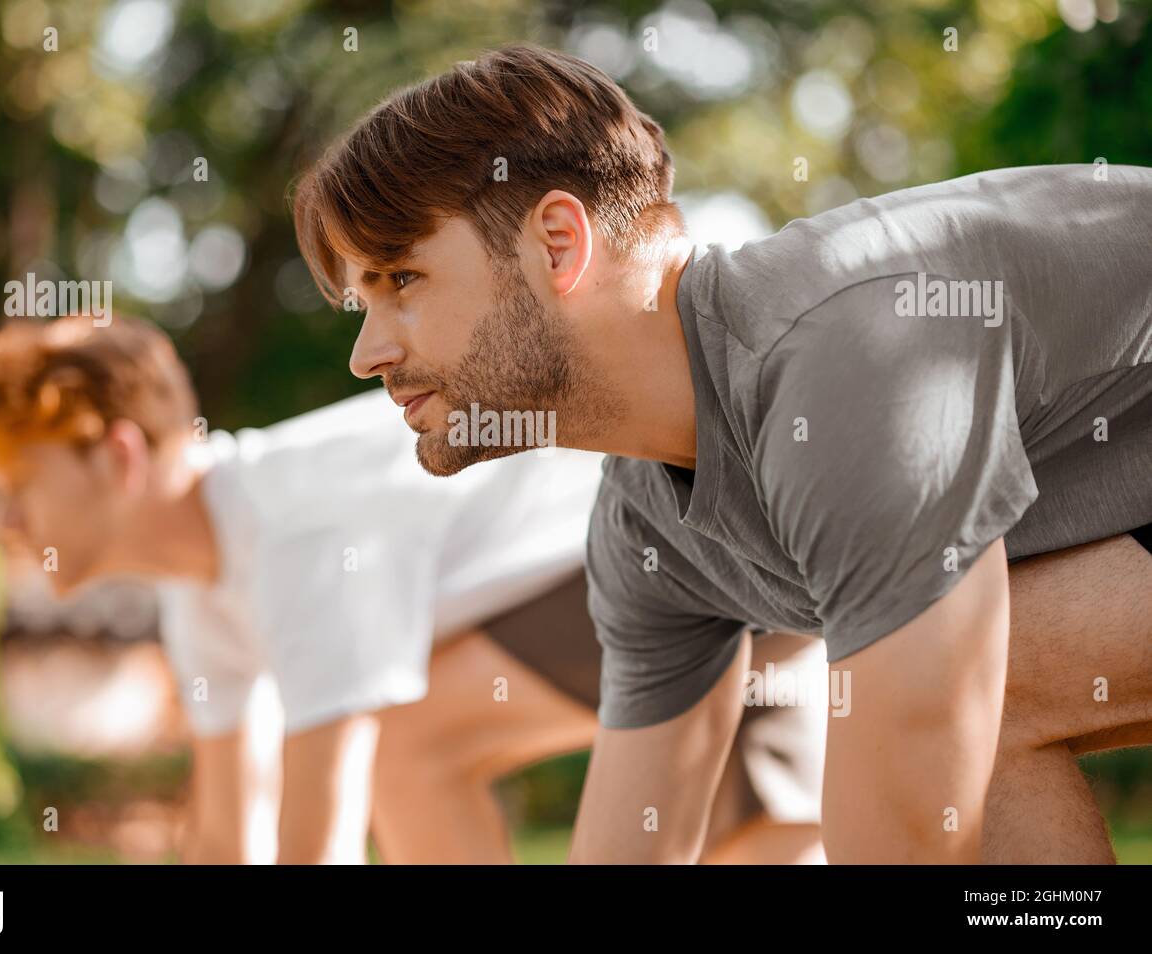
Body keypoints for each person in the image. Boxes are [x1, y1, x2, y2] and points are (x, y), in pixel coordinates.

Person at [291, 42, 1152, 863]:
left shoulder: (839, 355)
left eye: (400, 280)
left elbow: (906, 841)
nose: (367, 355)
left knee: (983, 680)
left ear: (558, 243)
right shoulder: (643, 526)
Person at [0, 314, 828, 864]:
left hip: (698, 554)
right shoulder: (201, 585)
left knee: (406, 746)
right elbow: (227, 835)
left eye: (17, 485)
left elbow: (316, 846)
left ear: (121, 457)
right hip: (696, 573)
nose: (3, 524)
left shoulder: (292, 530)